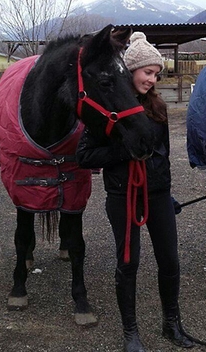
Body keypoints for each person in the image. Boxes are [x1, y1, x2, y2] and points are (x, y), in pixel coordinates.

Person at [76, 32, 193, 352]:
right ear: (131, 70)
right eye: (147, 72)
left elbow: (164, 154)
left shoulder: (158, 107)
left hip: (157, 195)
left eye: (156, 73)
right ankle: (131, 334)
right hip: (122, 196)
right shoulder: (108, 107)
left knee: (170, 261)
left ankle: (172, 324)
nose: (152, 79)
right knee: (128, 264)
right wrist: (124, 151)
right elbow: (84, 156)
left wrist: (166, 193)